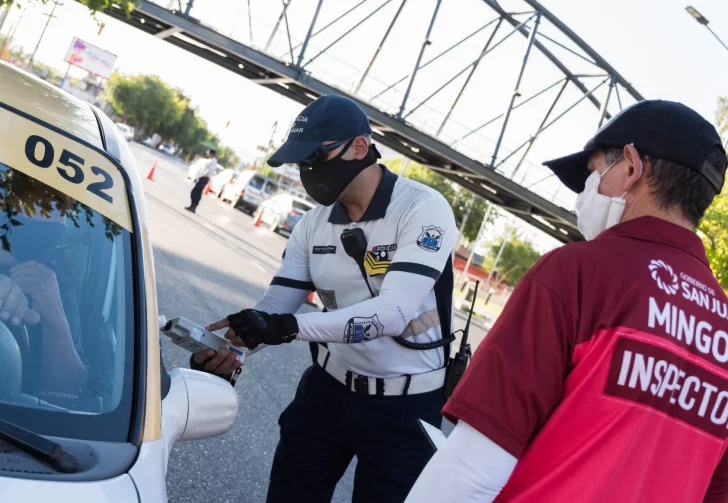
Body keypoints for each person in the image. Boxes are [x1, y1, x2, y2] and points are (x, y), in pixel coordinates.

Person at [405, 100, 728, 502]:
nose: (585, 194)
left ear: (630, 167)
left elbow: (471, 471)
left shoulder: (577, 275)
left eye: (594, 173)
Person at [191, 95, 458, 503]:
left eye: (315, 155)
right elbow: (277, 307)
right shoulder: (312, 224)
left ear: (359, 148)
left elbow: (392, 313)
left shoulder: (423, 208)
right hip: (327, 392)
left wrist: (287, 328)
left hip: (405, 407)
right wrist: (231, 346)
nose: (307, 170)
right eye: (300, 160)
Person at [185, 149, 217, 213]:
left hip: (204, 178)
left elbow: (210, 170)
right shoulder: (210, 160)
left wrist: (204, 174)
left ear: (211, 154)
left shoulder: (212, 161)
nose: (207, 154)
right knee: (197, 192)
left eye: (209, 153)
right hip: (202, 177)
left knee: (195, 192)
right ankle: (192, 206)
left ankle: (193, 206)